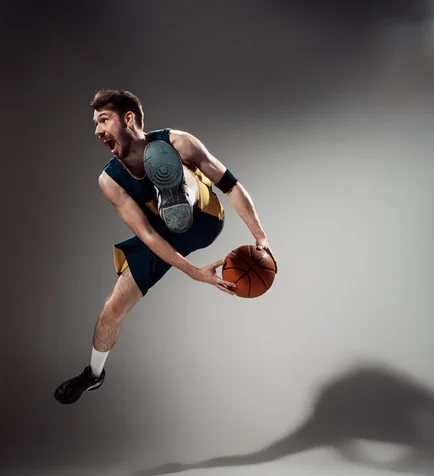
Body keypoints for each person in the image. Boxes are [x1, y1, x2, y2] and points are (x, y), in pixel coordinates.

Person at [54, 89, 277, 404]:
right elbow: (146, 234)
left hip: (204, 217)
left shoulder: (179, 141)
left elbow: (230, 185)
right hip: (161, 235)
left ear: (128, 118)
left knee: (170, 157)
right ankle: (93, 374)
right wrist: (193, 272)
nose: (97, 130)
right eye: (96, 123)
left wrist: (261, 236)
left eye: (103, 120)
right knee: (112, 310)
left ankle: (176, 186)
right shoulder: (111, 180)